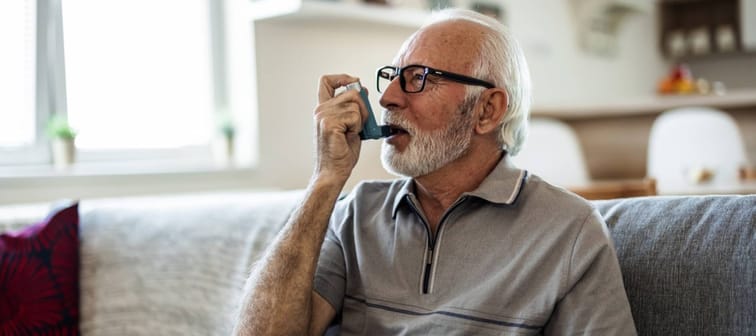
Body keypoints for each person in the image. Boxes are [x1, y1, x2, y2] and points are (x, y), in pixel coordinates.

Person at [233, 8, 637, 336]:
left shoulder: (570, 232)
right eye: (392, 77)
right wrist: (325, 180)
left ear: (487, 110)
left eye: (418, 79)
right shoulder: (354, 215)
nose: (388, 98)